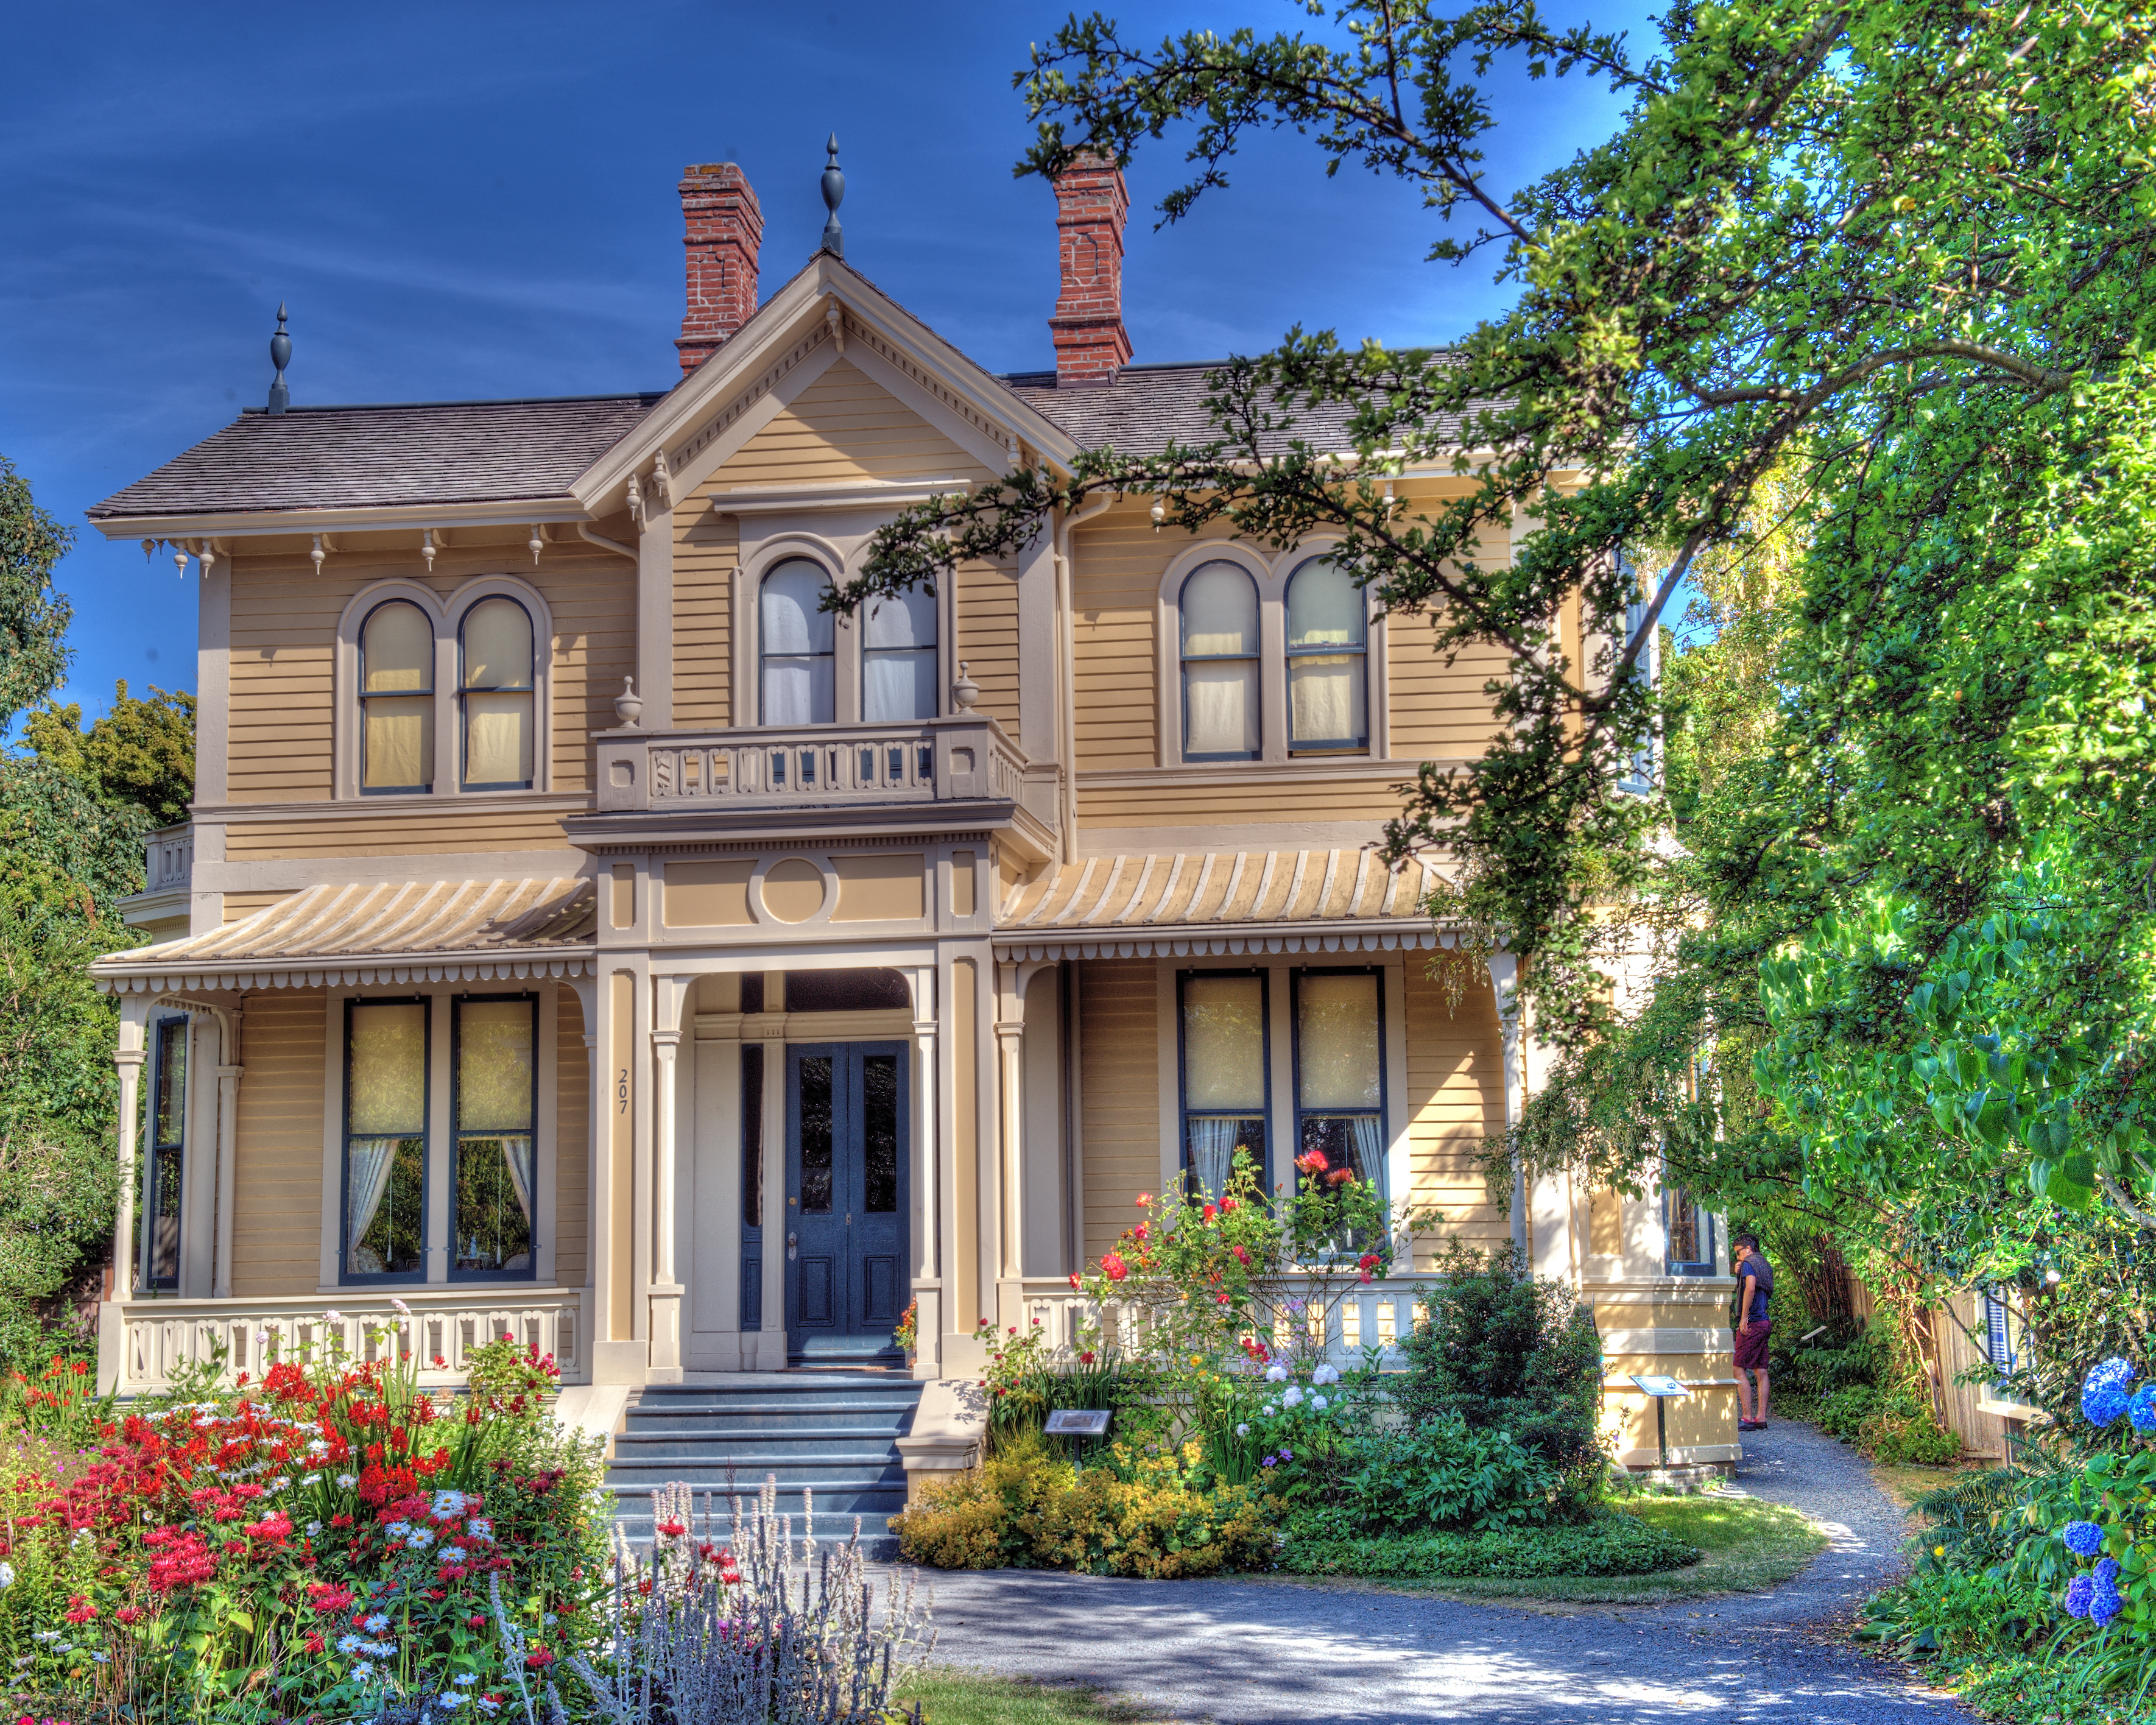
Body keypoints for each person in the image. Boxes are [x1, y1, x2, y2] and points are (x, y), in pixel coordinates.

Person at [1733, 1233, 1774, 1431]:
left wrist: (1743, 1318)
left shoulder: (1749, 1263)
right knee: (1761, 1370)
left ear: (1748, 1249)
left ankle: (1748, 1418)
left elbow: (1749, 1289)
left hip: (1753, 1323)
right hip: (1765, 1321)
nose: (1738, 1258)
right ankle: (1761, 1418)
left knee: (1738, 1368)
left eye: (1739, 1253)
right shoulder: (1763, 1263)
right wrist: (1738, 1273)